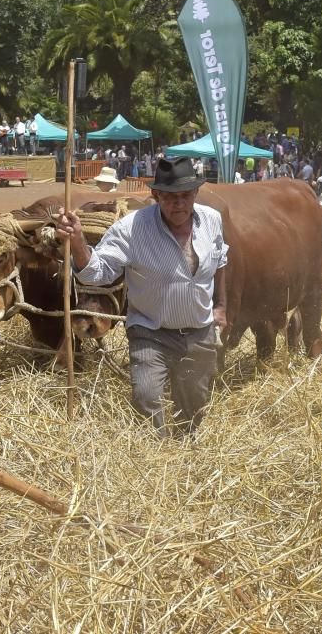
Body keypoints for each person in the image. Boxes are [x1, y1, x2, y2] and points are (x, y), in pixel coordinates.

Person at [54, 157, 228, 438]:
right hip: (151, 332)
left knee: (195, 401)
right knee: (147, 397)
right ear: (156, 196)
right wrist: (77, 243)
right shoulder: (131, 229)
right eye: (170, 197)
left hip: (199, 331)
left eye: (185, 196)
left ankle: (186, 448)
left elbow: (220, 261)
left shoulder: (212, 221)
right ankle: (156, 457)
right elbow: (96, 273)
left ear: (196, 194)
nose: (178, 204)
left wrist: (221, 307)